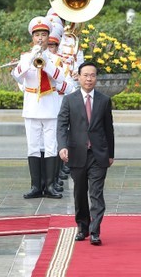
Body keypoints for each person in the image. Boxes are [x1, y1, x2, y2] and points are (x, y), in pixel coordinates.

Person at [57, 62, 115, 246]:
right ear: (79, 77)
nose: (89, 78)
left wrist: (110, 154)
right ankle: (82, 227)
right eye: (86, 75)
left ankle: (95, 231)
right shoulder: (69, 100)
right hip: (76, 153)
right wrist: (62, 146)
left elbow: (109, 129)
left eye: (93, 75)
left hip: (98, 154)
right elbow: (61, 125)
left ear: (96, 78)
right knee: (79, 193)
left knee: (96, 193)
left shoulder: (104, 100)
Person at [11, 16, 66, 199]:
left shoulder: (55, 59)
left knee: (51, 147)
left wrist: (46, 61)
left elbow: (60, 79)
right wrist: (32, 57)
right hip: (32, 106)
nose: (40, 38)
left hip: (50, 106)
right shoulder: (25, 57)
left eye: (44, 34)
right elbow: (17, 76)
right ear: (32, 38)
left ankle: (50, 186)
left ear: (49, 37)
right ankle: (36, 186)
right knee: (33, 147)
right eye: (37, 35)